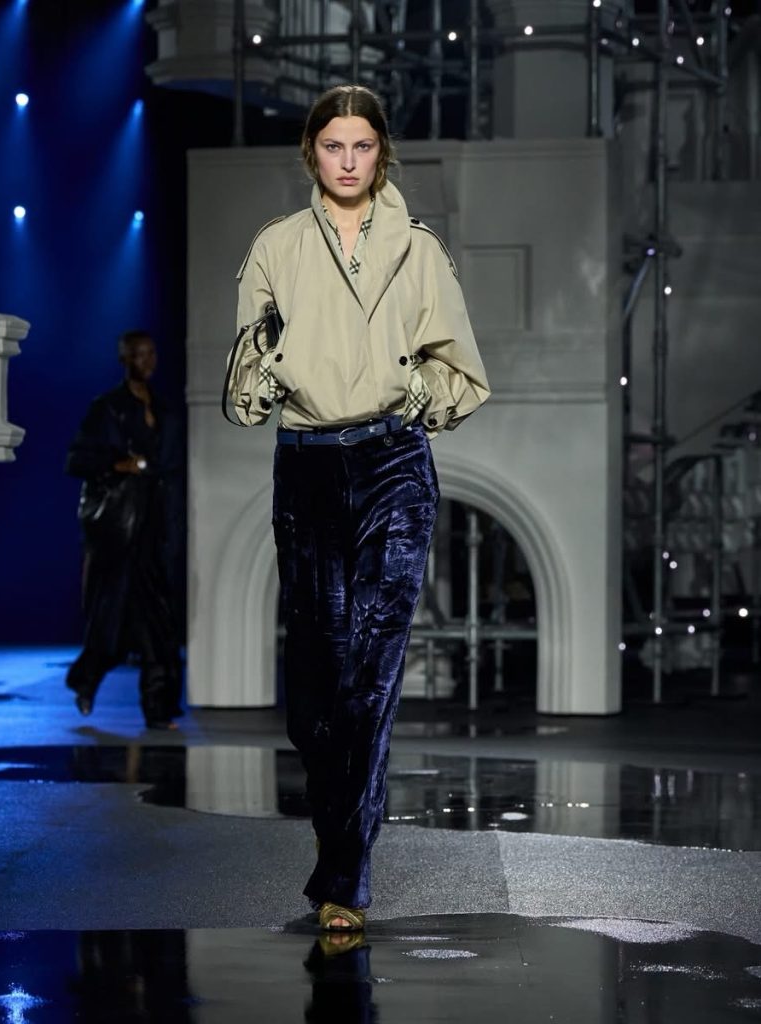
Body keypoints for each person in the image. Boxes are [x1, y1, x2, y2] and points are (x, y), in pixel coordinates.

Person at [227, 85, 490, 931]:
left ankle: (344, 875)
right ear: (311, 151)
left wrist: (412, 393)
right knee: (316, 688)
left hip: (392, 465)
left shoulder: (419, 250)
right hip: (305, 467)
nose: (348, 161)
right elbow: (243, 385)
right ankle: (343, 827)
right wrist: (268, 368)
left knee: (371, 668)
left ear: (382, 153)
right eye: (333, 145)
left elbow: (462, 371)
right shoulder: (274, 246)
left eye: (362, 146)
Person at [65, 330, 184, 730]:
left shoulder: (165, 410)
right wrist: (120, 465)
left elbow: (170, 468)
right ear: (124, 359)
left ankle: (160, 709)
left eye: (151, 353)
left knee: (160, 625)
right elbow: (77, 460)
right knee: (111, 621)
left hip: (154, 529)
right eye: (138, 354)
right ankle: (86, 681)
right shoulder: (108, 408)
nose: (146, 361)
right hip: (119, 531)